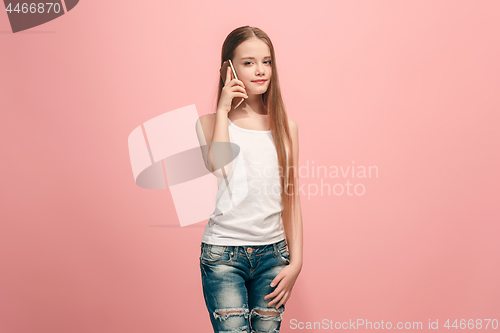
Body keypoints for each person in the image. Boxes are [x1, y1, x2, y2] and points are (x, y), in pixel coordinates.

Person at [195, 25, 303, 333]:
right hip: (223, 257)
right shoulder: (208, 123)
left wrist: (296, 263)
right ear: (228, 69)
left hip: (274, 255)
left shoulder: (286, 128)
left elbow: (291, 200)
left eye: (266, 62)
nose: (260, 70)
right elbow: (220, 168)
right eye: (248, 62)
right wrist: (223, 108)